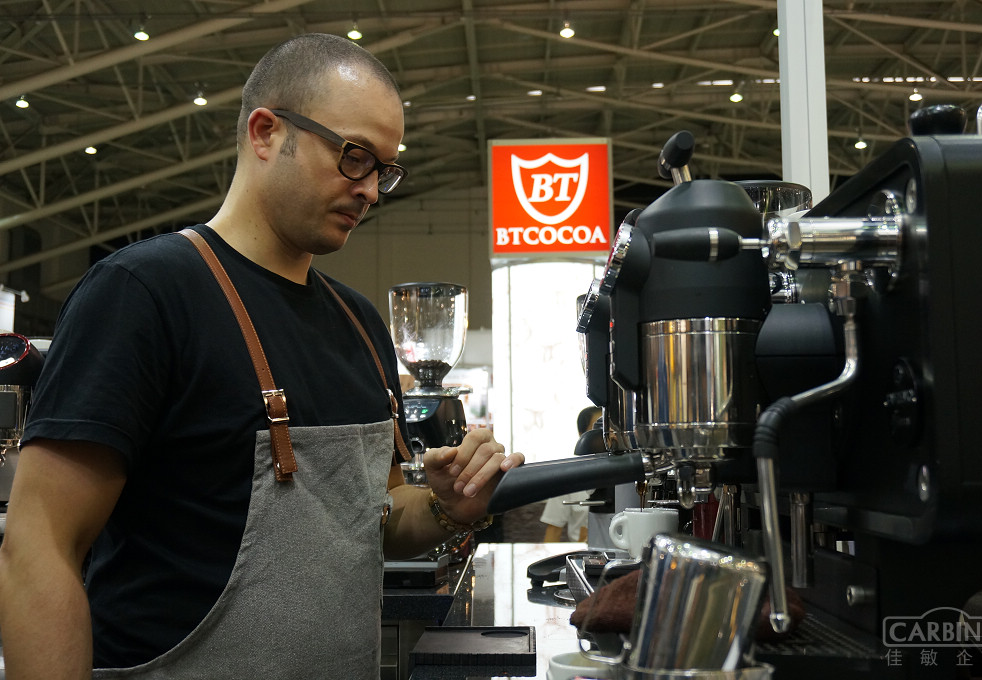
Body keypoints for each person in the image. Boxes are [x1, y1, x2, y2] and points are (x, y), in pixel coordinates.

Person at [0, 33, 523, 680]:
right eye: (355, 157)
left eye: (384, 170)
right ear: (266, 133)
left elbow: (381, 513)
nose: (371, 191)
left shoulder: (359, 323)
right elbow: (40, 547)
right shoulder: (145, 294)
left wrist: (446, 506)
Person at [540, 406, 602, 542]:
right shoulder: (568, 477)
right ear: (582, 435)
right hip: (584, 550)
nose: (605, 436)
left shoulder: (629, 474)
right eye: (598, 429)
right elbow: (552, 534)